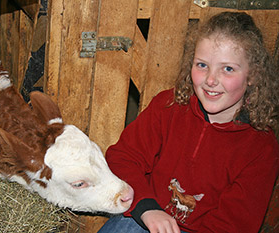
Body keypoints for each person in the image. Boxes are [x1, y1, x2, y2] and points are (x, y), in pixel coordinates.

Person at [98, 11, 279, 233]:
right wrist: (147, 208)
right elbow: (123, 157)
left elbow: (236, 223)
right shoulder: (168, 106)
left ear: (252, 75)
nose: (211, 80)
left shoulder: (260, 146)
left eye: (228, 69)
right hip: (147, 217)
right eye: (202, 65)